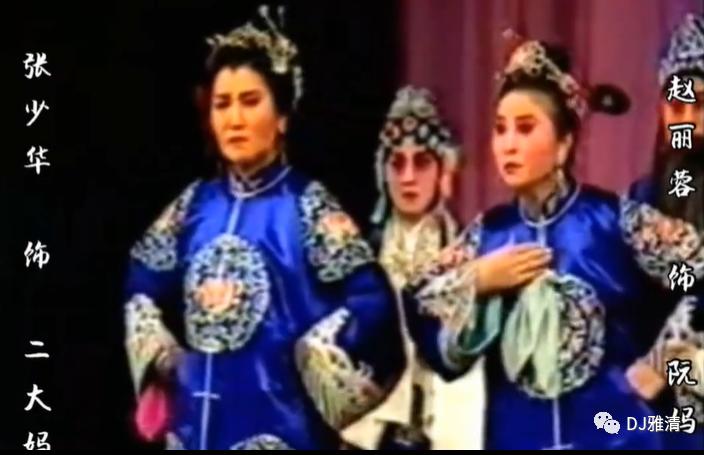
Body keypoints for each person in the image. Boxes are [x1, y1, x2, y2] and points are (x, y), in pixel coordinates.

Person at [401, 32, 704, 449]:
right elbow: (419, 303)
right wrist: (475, 280)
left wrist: (662, 362)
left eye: (525, 129)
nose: (508, 145)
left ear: (563, 144)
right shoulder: (489, 234)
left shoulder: (614, 220)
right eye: (500, 130)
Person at [122, 6, 405, 450]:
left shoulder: (308, 207)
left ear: (283, 116)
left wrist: (321, 357)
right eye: (223, 104)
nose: (234, 119)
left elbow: (373, 303)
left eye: (250, 102)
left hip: (281, 429)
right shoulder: (194, 205)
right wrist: (162, 354)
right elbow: (142, 278)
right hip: (196, 430)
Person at [342, 86, 507, 450]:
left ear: (442, 170)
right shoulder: (357, 257)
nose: (408, 177)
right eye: (397, 163)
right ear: (382, 172)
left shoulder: (466, 254)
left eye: (421, 162)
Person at [626, 13, 704, 448]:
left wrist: (670, 350)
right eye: (677, 107)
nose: (688, 122)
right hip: (656, 409)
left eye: (700, 105)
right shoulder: (643, 196)